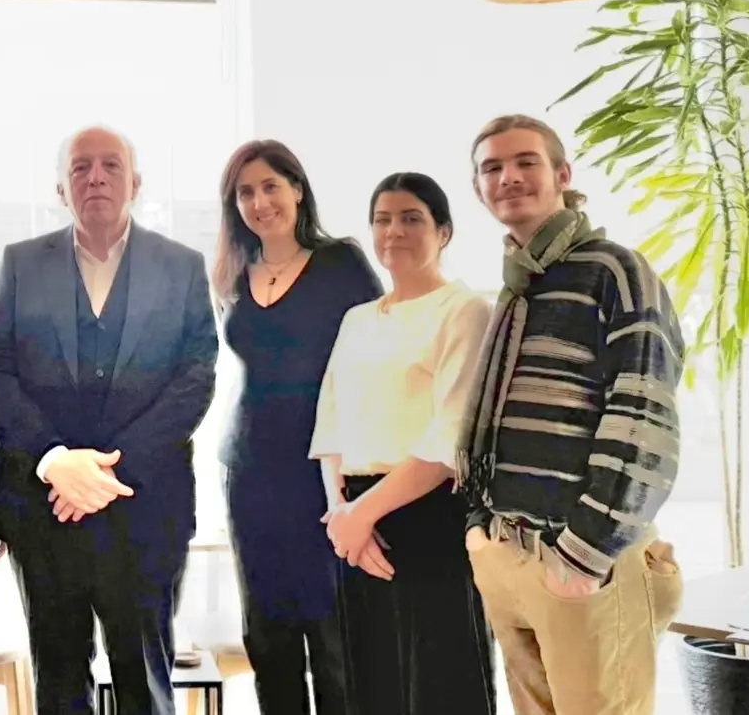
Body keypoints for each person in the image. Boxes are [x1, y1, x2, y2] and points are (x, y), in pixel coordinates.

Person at [0, 125, 219, 715]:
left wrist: (105, 474)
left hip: (146, 506)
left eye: (111, 165)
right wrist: (55, 459)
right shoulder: (20, 263)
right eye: (80, 167)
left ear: (136, 182)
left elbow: (195, 379)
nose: (96, 177)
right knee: (58, 684)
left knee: (145, 684)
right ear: (61, 189)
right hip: (44, 511)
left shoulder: (182, 266)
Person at [460, 114, 685, 715]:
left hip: (583, 561)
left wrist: (585, 552)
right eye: (492, 168)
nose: (509, 177)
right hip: (509, 554)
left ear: (562, 174)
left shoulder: (616, 271)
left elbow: (643, 412)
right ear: (478, 189)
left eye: (525, 162)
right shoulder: (517, 288)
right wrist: (480, 528)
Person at [309, 172, 497, 714]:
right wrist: (342, 514)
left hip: (429, 516)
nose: (394, 231)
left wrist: (361, 514)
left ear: (444, 232)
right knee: (371, 685)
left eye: (412, 218)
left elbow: (449, 438)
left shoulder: (465, 310)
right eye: (383, 220)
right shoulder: (358, 319)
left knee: (439, 685)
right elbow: (331, 422)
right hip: (357, 527)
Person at [210, 140, 381, 714]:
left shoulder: (341, 263)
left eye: (271, 187)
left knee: (336, 636)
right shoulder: (233, 274)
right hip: (248, 470)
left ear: (298, 190)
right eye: (246, 193)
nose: (260, 202)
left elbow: (375, 361)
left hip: (326, 470)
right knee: (267, 634)